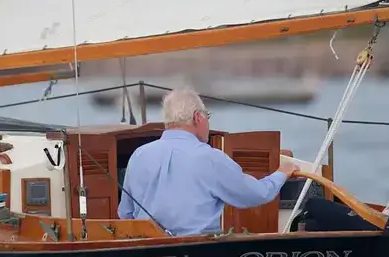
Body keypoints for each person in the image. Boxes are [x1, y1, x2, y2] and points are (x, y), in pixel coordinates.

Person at [117, 88, 298, 236]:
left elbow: (126, 214)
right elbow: (257, 194)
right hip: (199, 255)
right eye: (207, 116)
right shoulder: (210, 157)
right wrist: (282, 172)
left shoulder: (139, 155)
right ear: (198, 117)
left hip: (148, 255)